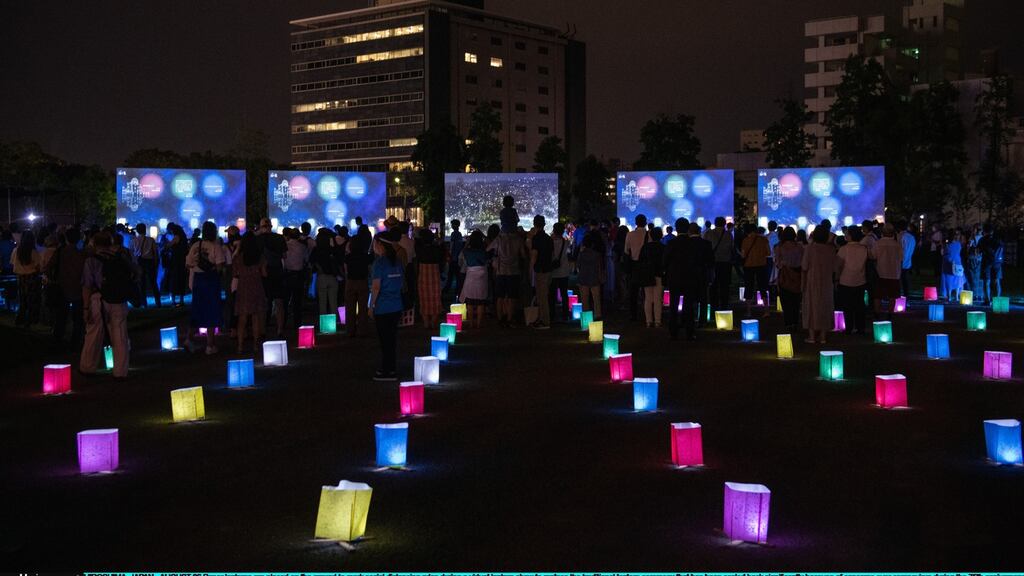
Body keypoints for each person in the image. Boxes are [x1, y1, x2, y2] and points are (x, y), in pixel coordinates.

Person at [80, 231, 133, 378]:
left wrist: (85, 308)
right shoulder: (120, 258)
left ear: (95, 244)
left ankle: (87, 366)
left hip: (98, 300)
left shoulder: (91, 261)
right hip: (119, 300)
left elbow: (87, 285)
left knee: (93, 334)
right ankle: (121, 371)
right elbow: (135, 273)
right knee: (120, 334)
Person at [368, 231, 406, 381]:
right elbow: (401, 284)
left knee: (384, 341)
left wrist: (371, 306)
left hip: (383, 307)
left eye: (375, 243)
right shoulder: (397, 262)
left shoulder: (379, 264)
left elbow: (376, 287)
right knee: (392, 340)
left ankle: (386, 370)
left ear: (380, 245)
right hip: (396, 306)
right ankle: (391, 369)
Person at [185, 222, 226, 354]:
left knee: (197, 310)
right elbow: (220, 266)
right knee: (212, 311)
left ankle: (189, 339)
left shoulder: (196, 245)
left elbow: (188, 264)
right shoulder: (216, 246)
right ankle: (210, 344)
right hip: (211, 280)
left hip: (198, 280)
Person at [50, 227, 86, 348]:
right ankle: (75, 341)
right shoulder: (82, 254)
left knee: (61, 316)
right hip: (78, 287)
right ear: (78, 239)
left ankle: (57, 339)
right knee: (78, 318)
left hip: (62, 287)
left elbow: (49, 266)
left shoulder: (60, 252)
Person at [801, 226, 837, 344]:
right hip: (826, 281)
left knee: (811, 306)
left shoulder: (810, 249)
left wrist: (803, 283)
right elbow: (835, 267)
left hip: (812, 280)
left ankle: (812, 336)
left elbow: (804, 266)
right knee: (825, 305)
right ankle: (823, 336)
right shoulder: (831, 249)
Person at [233, 232, 267, 352]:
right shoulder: (260, 256)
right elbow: (264, 273)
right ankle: (255, 345)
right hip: (256, 286)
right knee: (255, 317)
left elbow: (235, 273)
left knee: (242, 318)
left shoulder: (239, 257)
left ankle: (240, 346)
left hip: (243, 287)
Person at [837, 227, 869, 335]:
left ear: (851, 235)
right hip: (860, 280)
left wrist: (837, 277)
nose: (845, 235)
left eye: (847, 234)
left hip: (845, 280)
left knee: (847, 306)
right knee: (860, 305)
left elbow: (839, 265)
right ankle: (861, 328)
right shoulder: (864, 249)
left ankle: (849, 328)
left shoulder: (843, 249)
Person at [492, 226, 527, 327]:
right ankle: (509, 319)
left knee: (500, 297)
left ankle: (500, 319)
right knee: (512, 297)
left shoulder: (499, 239)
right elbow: (523, 255)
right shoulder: (518, 240)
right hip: (514, 271)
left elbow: (488, 248)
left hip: (501, 272)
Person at [345, 226, 372, 337]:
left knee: (350, 308)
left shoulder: (348, 257)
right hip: (362, 282)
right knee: (362, 308)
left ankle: (350, 330)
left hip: (350, 282)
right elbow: (369, 269)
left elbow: (346, 270)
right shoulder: (366, 256)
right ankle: (362, 330)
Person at [459, 229, 490, 329]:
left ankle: (471, 323)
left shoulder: (467, 252)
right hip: (482, 277)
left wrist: (467, 242)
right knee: (481, 302)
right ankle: (479, 324)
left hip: (470, 278)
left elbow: (463, 251)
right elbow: (490, 245)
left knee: (470, 302)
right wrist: (484, 236)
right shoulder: (484, 251)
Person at [11, 229, 42, 327]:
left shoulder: (16, 250)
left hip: (20, 278)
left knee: (22, 299)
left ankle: (19, 319)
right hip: (32, 278)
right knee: (31, 300)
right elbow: (38, 266)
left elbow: (12, 263)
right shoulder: (33, 252)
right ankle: (30, 320)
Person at [775, 227, 804, 329]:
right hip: (797, 276)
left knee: (785, 301)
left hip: (785, 276)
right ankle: (795, 321)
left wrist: (784, 264)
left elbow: (777, 263)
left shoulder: (780, 246)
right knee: (796, 301)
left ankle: (788, 322)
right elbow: (803, 261)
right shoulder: (799, 247)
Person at [871, 224, 903, 317]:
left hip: (880, 272)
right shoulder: (897, 244)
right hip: (894, 273)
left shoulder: (878, 243)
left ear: (882, 232)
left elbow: (873, 256)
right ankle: (890, 313)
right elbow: (901, 258)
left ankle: (877, 312)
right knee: (893, 295)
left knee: (878, 295)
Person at [740, 224, 771, 318]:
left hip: (749, 266)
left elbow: (743, 255)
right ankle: (766, 311)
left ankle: (749, 311)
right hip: (761, 265)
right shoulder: (763, 240)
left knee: (748, 287)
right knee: (763, 287)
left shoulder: (745, 240)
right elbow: (768, 252)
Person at [529, 215, 553, 329]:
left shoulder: (536, 238)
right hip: (548, 269)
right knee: (543, 295)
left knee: (541, 296)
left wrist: (531, 268)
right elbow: (552, 255)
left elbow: (534, 255)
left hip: (540, 270)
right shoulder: (548, 238)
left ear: (534, 224)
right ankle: (541, 318)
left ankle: (545, 321)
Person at [623, 214, 649, 321]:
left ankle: (633, 315)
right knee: (647, 292)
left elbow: (626, 251)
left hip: (634, 265)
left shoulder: (630, 234)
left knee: (633, 292)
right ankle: (647, 314)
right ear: (645, 222)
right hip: (646, 265)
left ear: (635, 222)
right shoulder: (649, 235)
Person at [416, 228, 444, 328]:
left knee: (423, 299)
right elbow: (441, 262)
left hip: (423, 274)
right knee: (436, 298)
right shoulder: (437, 249)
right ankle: (432, 321)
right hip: (435, 274)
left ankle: (426, 322)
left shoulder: (419, 249)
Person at [638, 227, 665, 328]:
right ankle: (658, 321)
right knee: (658, 299)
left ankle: (648, 321)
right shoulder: (663, 247)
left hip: (647, 274)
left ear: (650, 235)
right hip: (659, 274)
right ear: (661, 235)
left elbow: (640, 261)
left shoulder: (645, 247)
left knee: (648, 298)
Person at [705, 216, 734, 310]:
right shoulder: (728, 234)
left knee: (713, 285)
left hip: (713, 262)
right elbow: (731, 248)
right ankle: (724, 305)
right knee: (724, 285)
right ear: (724, 224)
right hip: (725, 262)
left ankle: (714, 305)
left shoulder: (709, 233)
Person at [283, 227, 309, 329]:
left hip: (287, 275)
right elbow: (306, 260)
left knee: (285, 300)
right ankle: (297, 323)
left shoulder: (285, 246)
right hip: (298, 275)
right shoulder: (302, 247)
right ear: (298, 236)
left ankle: (283, 323)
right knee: (297, 301)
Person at [310, 230, 340, 317]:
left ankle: (323, 324)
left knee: (322, 302)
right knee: (333, 302)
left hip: (321, 276)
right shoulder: (332, 249)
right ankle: (333, 323)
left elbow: (311, 262)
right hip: (333, 277)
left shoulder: (316, 249)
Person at [576, 230, 605, 321]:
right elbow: (599, 267)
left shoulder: (581, 254)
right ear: (592, 244)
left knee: (585, 299)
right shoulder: (597, 255)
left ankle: (586, 317)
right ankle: (597, 315)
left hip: (584, 278)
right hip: (594, 278)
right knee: (596, 298)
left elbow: (578, 266)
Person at [132, 223, 161, 307]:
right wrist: (156, 263)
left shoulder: (133, 240)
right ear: (145, 230)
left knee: (142, 283)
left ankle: (144, 303)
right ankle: (158, 302)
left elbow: (132, 253)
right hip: (149, 262)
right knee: (153, 283)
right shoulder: (151, 240)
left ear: (137, 230)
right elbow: (155, 253)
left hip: (139, 262)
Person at [549, 222, 571, 323]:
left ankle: (552, 314)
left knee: (552, 294)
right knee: (564, 294)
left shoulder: (550, 242)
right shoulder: (565, 242)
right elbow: (569, 251)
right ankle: (565, 314)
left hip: (553, 272)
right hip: (564, 271)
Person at [979, 225, 1004, 304]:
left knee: (986, 282)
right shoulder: (998, 240)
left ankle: (987, 300)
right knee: (997, 281)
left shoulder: (982, 240)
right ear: (992, 231)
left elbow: (978, 251)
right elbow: (1002, 249)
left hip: (986, 263)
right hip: (997, 263)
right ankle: (998, 301)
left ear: (985, 232)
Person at [167, 224, 190, 307]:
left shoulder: (176, 237)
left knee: (174, 280)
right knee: (181, 280)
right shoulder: (183, 238)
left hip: (176, 262)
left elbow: (169, 245)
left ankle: (173, 301)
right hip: (182, 261)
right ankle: (181, 300)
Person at [941, 229, 964, 302]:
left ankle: (949, 296)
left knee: (948, 279)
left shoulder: (947, 245)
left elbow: (943, 253)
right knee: (957, 279)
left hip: (948, 262)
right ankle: (957, 296)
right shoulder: (959, 244)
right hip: (957, 262)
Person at [445, 219, 464, 294]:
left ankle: (447, 290)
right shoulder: (459, 234)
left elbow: (452, 245)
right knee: (457, 275)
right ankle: (458, 290)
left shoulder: (454, 234)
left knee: (450, 275)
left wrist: (449, 254)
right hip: (458, 258)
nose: (451, 226)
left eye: (452, 224)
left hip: (453, 257)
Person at [898, 221, 916, 297]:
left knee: (898, 280)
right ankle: (906, 295)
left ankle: (898, 296)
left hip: (900, 261)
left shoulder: (900, 236)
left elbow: (899, 249)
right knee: (905, 279)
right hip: (908, 261)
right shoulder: (912, 237)